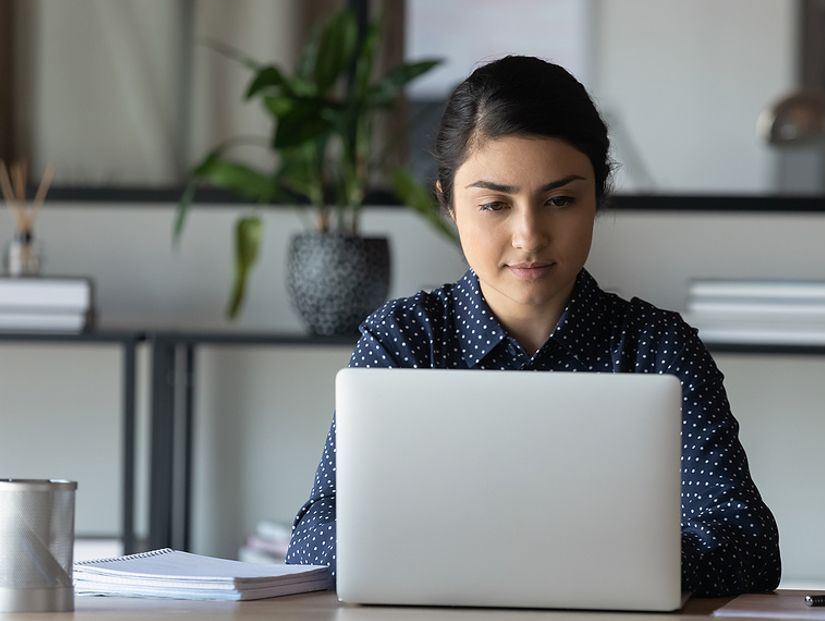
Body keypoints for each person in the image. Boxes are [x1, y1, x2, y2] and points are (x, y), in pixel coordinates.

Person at [286, 55, 781, 597]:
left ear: (598, 197)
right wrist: (564, 557)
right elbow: (314, 539)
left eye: (560, 200)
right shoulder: (404, 340)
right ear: (448, 204)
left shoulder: (658, 349)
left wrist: (603, 564)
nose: (529, 236)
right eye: (495, 204)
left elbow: (748, 545)